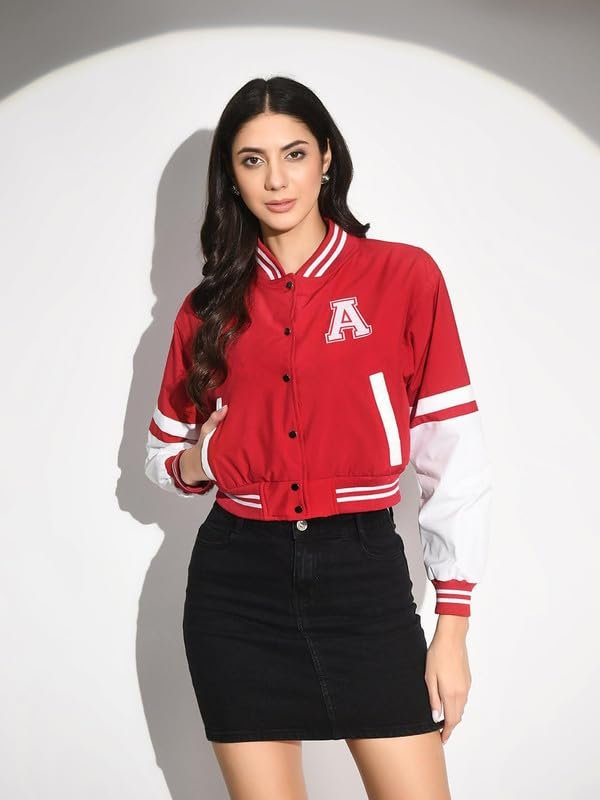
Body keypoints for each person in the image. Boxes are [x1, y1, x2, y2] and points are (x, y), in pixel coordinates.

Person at [145, 75, 492, 800]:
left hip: (363, 577)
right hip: (237, 589)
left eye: (294, 153)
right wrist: (205, 458)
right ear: (231, 177)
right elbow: (161, 459)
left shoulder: (403, 276)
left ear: (327, 158)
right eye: (252, 160)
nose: (276, 180)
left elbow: (451, 452)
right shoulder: (208, 308)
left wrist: (452, 628)